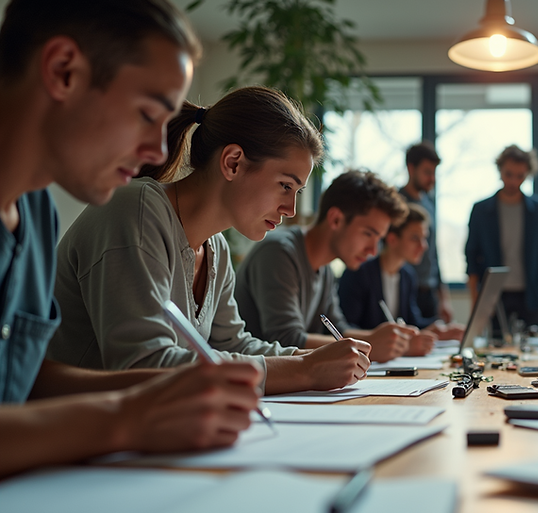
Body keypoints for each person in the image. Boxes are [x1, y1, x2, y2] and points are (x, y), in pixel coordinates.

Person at [0, 0, 262, 478]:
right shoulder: (134, 210)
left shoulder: (33, 211)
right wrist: (124, 418)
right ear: (63, 71)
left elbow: (27, 378)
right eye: (147, 114)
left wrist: (167, 389)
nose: (159, 151)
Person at [47, 86, 372, 396]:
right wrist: (304, 369)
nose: (291, 210)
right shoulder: (135, 210)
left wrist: (315, 358)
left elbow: (232, 345)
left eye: (297, 192)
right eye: (285, 186)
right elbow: (144, 363)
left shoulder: (216, 247)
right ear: (233, 162)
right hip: (70, 434)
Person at [235, 170, 428, 362]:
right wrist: (371, 344)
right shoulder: (278, 252)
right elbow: (287, 340)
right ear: (336, 219)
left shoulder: (325, 268)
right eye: (368, 234)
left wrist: (385, 340)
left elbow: (338, 330)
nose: (373, 251)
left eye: (379, 239)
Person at [465, 145, 538, 332]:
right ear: (500, 171)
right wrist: (474, 300)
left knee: (531, 351)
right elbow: (471, 256)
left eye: (520, 176)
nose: (514, 181)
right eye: (509, 174)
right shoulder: (481, 210)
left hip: (530, 296)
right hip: (493, 297)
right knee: (496, 350)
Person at [338, 203, 465, 342]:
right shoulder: (358, 272)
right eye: (415, 238)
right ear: (392, 239)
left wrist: (439, 330)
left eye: (424, 238)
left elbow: (411, 322)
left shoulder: (407, 276)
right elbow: (345, 328)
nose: (423, 246)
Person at [399, 142, 454, 323]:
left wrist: (443, 298)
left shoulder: (429, 203)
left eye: (434, 172)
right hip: (405, 289)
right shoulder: (396, 203)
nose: (432, 178)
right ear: (411, 168)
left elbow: (433, 253)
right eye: (427, 172)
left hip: (428, 292)